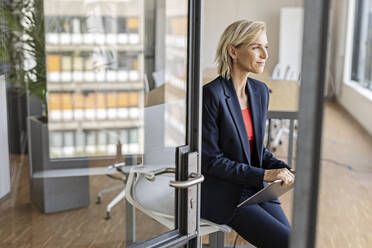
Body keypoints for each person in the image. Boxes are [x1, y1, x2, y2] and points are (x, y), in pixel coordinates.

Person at [201, 20, 295, 248]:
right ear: (233, 51)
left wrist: (283, 168)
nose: (264, 54)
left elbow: (256, 149)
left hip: (254, 188)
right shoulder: (211, 95)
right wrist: (264, 174)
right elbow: (211, 162)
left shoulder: (259, 91)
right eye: (256, 47)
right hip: (224, 195)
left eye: (266, 47)